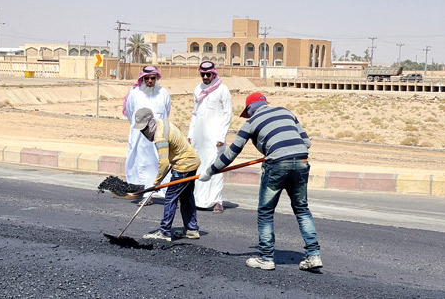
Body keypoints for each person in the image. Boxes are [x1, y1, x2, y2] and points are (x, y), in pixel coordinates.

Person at [199, 92, 322, 271]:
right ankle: (313, 255)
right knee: (302, 209)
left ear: (250, 109)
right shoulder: (286, 112)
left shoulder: (249, 123)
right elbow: (306, 143)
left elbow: (232, 153)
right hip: (302, 161)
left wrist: (210, 172)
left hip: (277, 165)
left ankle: (266, 258)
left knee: (265, 212)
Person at [133, 108, 201, 241]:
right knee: (186, 196)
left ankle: (164, 232)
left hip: (184, 165)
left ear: (150, 123)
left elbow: (163, 163)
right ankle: (192, 229)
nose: (143, 132)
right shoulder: (162, 123)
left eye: (144, 128)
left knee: (170, 197)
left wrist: (156, 183)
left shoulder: (159, 137)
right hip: (192, 161)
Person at [187, 61, 232, 213]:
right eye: (203, 74)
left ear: (214, 73)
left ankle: (216, 201)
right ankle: (198, 199)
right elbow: (195, 113)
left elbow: (227, 114)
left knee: (215, 167)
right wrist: (190, 134)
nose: (205, 77)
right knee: (198, 166)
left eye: (208, 74)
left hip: (215, 137)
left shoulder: (222, 89)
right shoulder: (197, 89)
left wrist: (222, 136)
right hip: (199, 137)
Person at [123, 66, 171, 204]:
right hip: (139, 137)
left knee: (156, 163)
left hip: (157, 136)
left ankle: (151, 193)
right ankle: (142, 193)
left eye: (153, 78)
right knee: (140, 164)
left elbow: (166, 113)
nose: (150, 81)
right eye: (147, 78)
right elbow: (130, 113)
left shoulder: (163, 93)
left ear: (157, 78)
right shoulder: (135, 93)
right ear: (142, 79)